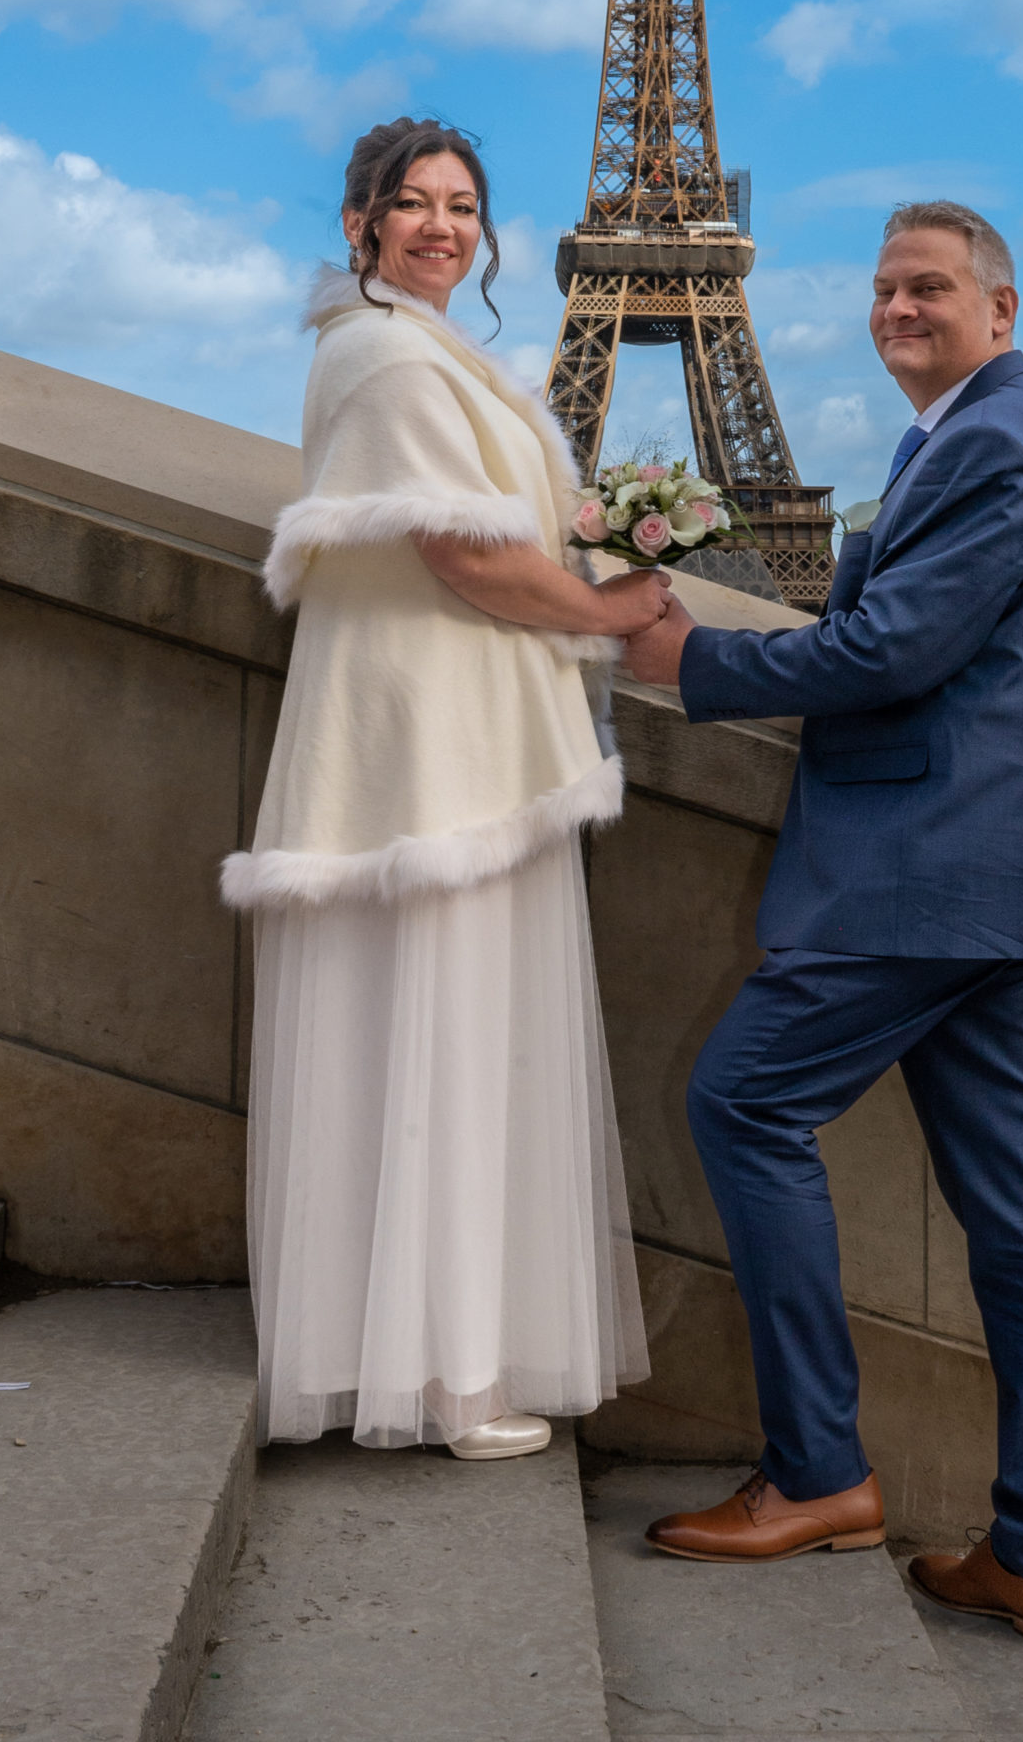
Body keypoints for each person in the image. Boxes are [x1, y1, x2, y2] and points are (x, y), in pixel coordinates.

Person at [622, 200, 1023, 1644]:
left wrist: (693, 653)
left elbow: (896, 648)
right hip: (1006, 872)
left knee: (743, 1102)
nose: (896, 309)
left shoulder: (996, 439)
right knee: (1019, 1206)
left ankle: (819, 1472)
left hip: (946, 867)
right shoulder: (988, 431)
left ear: (1003, 306)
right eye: (881, 288)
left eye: (927, 286)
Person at [224, 117, 662, 1459]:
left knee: (432, 1049)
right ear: (359, 223)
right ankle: (451, 1379)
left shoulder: (423, 352)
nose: (441, 225)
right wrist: (610, 607)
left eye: (463, 205)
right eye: (411, 204)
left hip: (445, 732)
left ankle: (419, 1352)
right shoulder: (382, 354)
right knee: (454, 1043)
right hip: (436, 746)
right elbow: (467, 560)